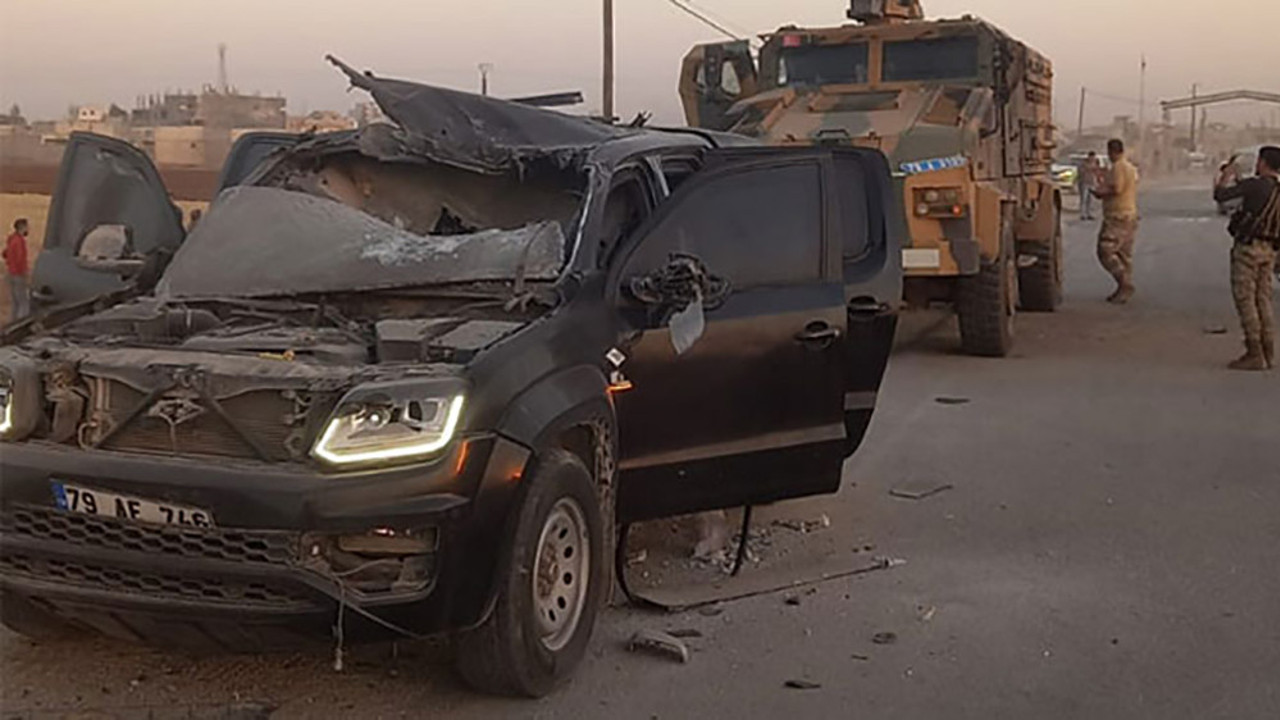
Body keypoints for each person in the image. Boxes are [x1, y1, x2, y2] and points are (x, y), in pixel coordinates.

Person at [1213, 145, 1280, 371]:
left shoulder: (1255, 185)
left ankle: (1254, 352)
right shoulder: (1276, 189)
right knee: (1263, 300)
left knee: (1245, 300)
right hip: (1270, 250)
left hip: (1248, 249)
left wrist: (1226, 175)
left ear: (1264, 162)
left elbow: (1221, 196)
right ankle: (1268, 351)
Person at [1092, 139, 1141, 303]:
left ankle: (1124, 283)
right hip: (1130, 214)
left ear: (1111, 152)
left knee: (1105, 251)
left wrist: (1100, 193)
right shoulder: (1130, 168)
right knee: (1124, 255)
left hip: (1117, 216)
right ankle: (1123, 290)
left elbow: (1117, 188)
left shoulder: (1118, 167)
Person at [3, 217, 31, 322]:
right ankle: (21, 323)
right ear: (22, 227)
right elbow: (20, 260)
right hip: (18, 275)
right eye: (27, 227)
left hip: (10, 273)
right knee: (23, 302)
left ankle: (13, 323)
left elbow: (4, 253)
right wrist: (25, 273)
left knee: (15, 302)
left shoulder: (11, 239)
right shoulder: (20, 241)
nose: (28, 229)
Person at [1078, 151, 1101, 220]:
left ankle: (1089, 213)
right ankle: (1083, 214)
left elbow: (1097, 172)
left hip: (1092, 183)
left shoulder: (1096, 163)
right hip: (1084, 183)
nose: (1092, 159)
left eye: (1093, 157)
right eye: (1091, 157)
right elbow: (1080, 172)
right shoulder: (1084, 163)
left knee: (1090, 200)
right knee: (1084, 199)